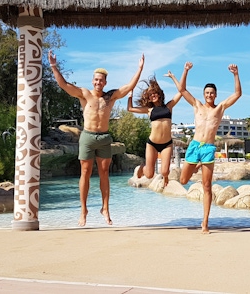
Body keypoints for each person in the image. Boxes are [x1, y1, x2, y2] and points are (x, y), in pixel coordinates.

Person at [48, 51, 144, 227]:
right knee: (85, 172)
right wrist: (54, 66)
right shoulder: (84, 94)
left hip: (105, 138)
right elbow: (63, 84)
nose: (99, 82)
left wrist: (140, 69)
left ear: (105, 82)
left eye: (102, 80)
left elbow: (129, 87)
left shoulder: (110, 96)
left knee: (104, 173)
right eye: (96, 80)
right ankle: (83, 210)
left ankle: (105, 208)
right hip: (88, 137)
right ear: (93, 81)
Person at [173, 61, 241, 234]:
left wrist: (235, 74)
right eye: (207, 93)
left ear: (216, 95)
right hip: (194, 146)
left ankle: (205, 222)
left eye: (212, 93)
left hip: (208, 149)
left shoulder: (220, 108)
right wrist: (185, 70)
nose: (209, 95)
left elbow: (237, 94)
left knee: (207, 186)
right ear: (204, 95)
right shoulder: (197, 105)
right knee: (183, 181)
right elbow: (182, 90)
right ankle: (196, 167)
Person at [127, 72, 182, 187]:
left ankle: (165, 178)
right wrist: (130, 95)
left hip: (167, 144)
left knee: (165, 171)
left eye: (155, 93)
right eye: (150, 95)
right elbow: (130, 108)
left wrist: (173, 77)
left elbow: (182, 91)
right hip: (152, 144)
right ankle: (142, 167)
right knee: (149, 175)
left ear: (159, 94)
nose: (153, 96)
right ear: (149, 98)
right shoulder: (149, 110)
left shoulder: (168, 106)